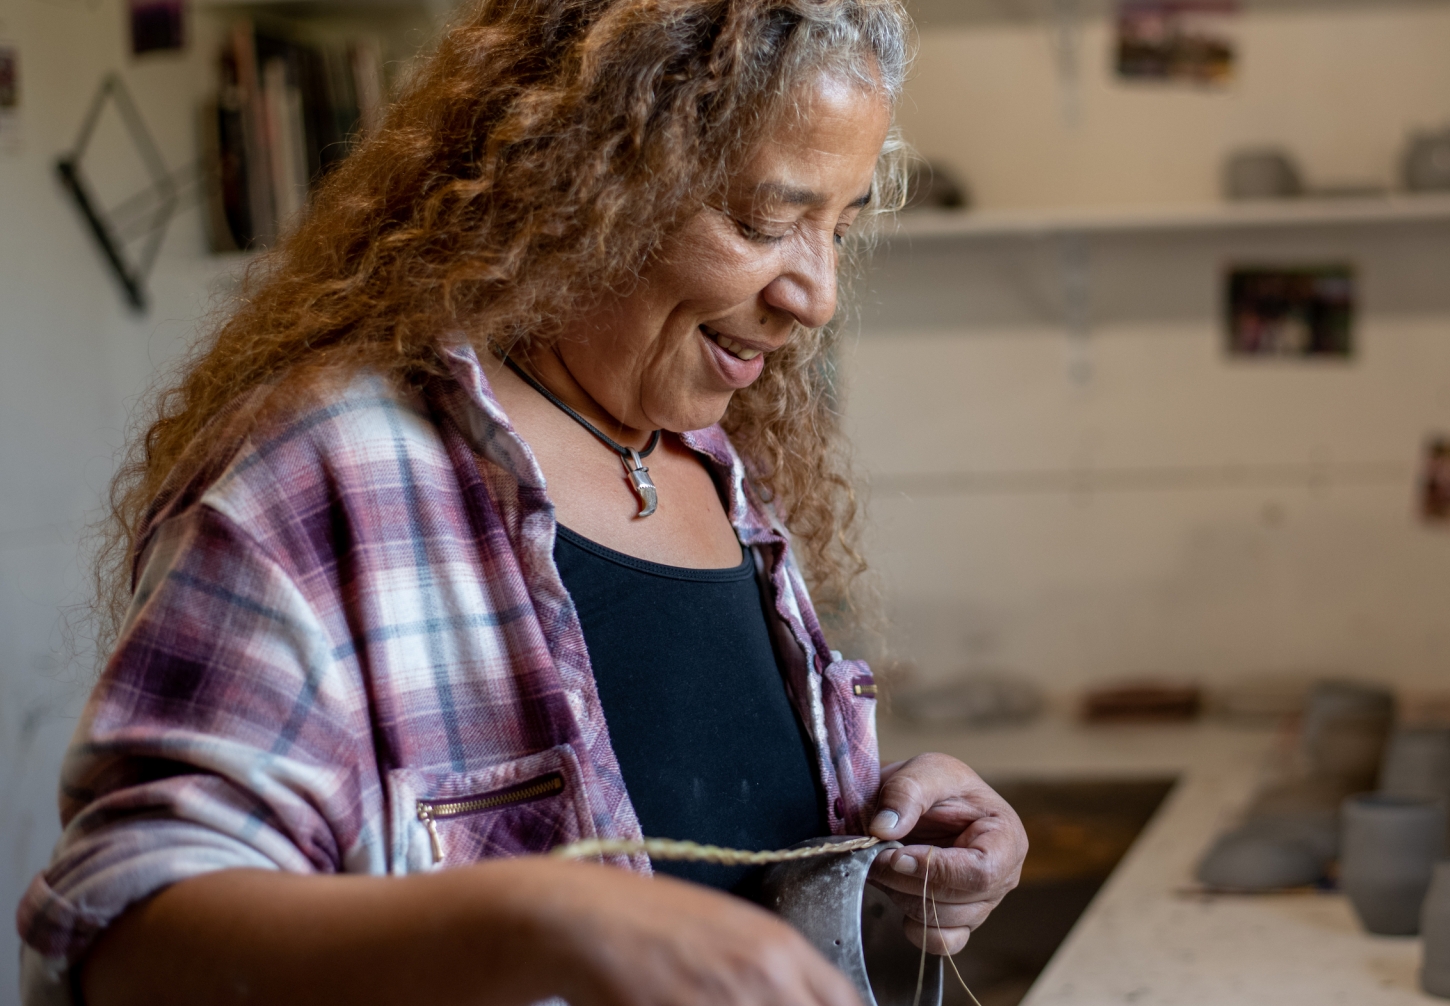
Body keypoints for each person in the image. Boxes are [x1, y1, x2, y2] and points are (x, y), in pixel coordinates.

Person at [15, 0, 1027, 1002]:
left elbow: (700, 822)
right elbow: (123, 933)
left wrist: (891, 828)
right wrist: (535, 919)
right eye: (768, 221)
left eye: (840, 227)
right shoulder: (333, 471)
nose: (817, 294)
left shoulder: (715, 466)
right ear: (592, 179)